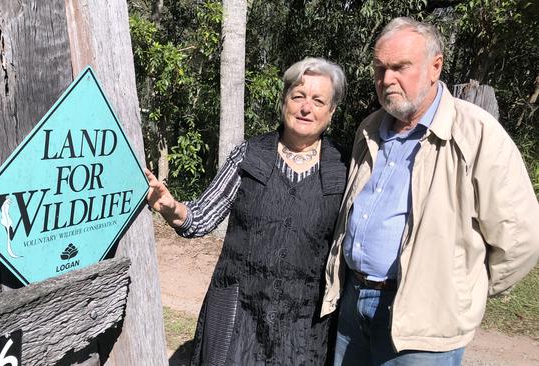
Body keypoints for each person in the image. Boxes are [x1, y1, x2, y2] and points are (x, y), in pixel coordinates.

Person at [321, 17, 539, 365]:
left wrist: (463, 291)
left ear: (435, 66)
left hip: (425, 326)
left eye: (400, 67)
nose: (387, 79)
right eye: (380, 69)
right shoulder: (371, 128)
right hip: (353, 304)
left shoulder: (477, 133)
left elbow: (522, 238)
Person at [146, 57, 349, 365]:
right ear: (284, 101)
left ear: (331, 112)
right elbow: (201, 218)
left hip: (304, 328)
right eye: (298, 96)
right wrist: (171, 208)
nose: (306, 107)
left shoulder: (343, 168)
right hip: (238, 314)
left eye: (318, 101)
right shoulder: (248, 154)